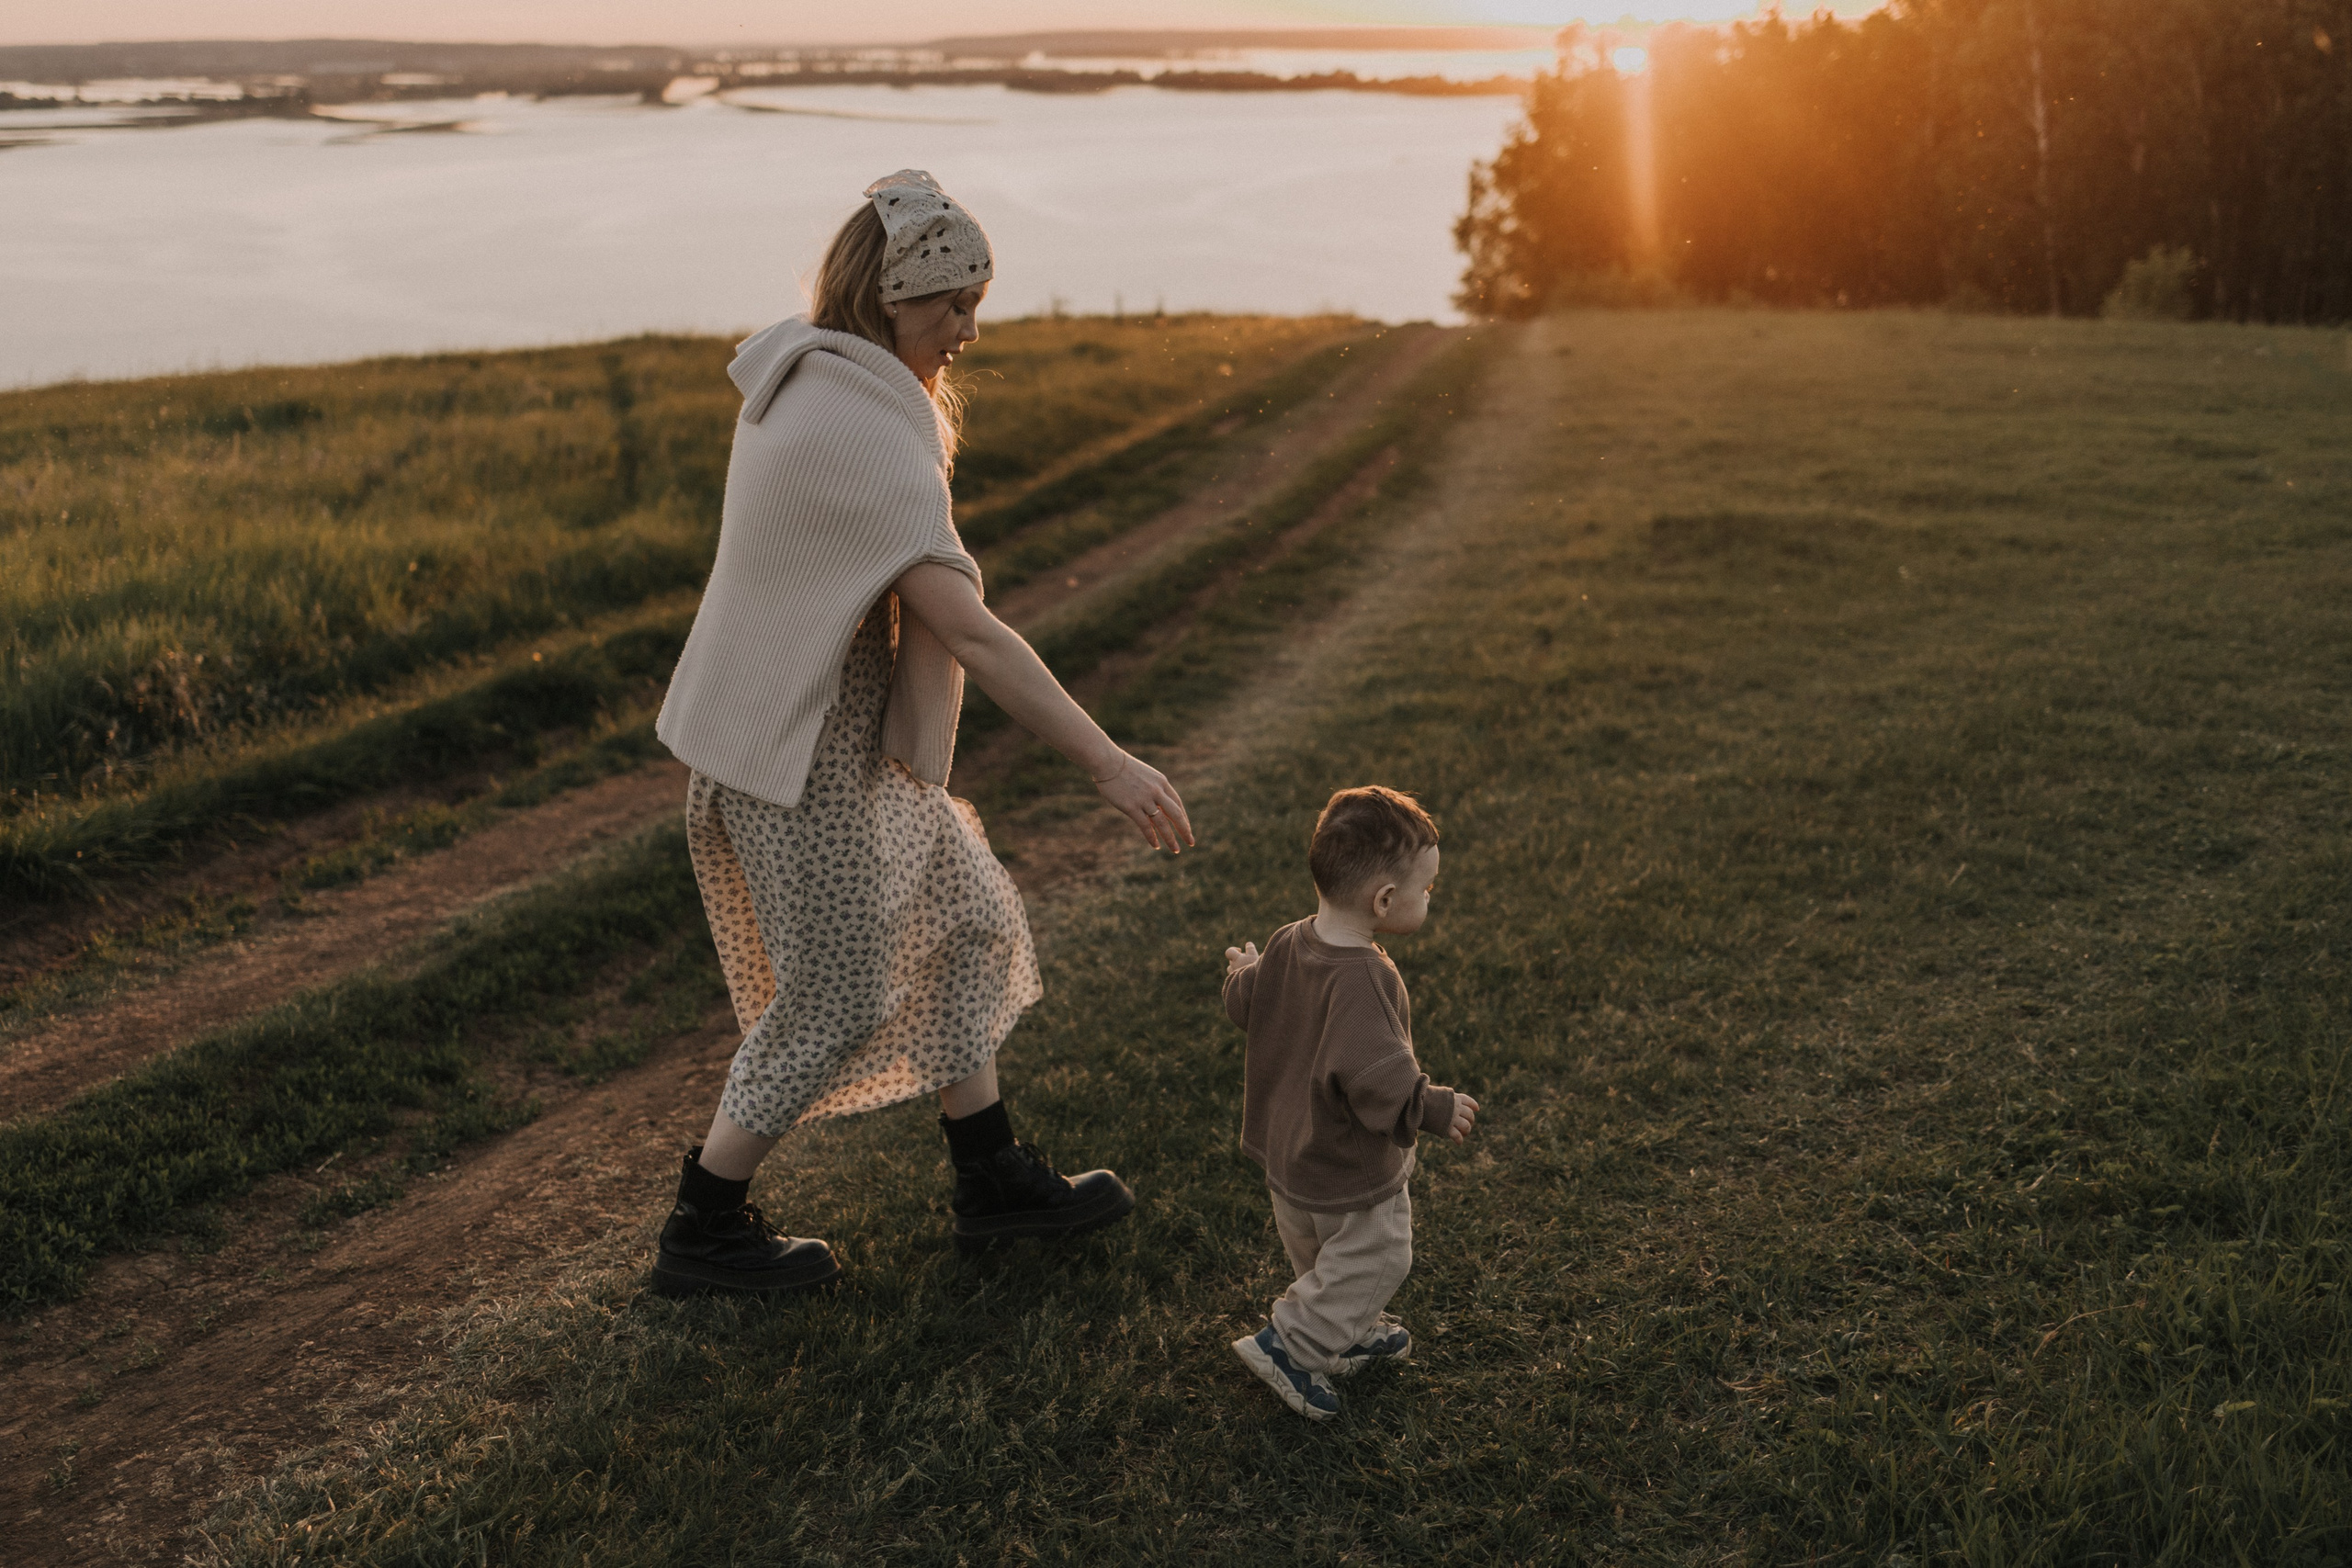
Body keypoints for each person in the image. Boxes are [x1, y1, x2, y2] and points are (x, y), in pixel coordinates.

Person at [647, 170, 1194, 1297]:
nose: (967, 329)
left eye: (973, 303)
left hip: (841, 738)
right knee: (838, 996)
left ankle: (991, 1180)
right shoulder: (853, 428)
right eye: (951, 305)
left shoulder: (822, 383)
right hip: (798, 757)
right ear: (889, 298)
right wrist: (1108, 760)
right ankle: (703, 1228)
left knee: (970, 917)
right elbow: (971, 635)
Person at [1221, 786, 1476, 1419]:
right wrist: (1434, 1107)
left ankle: (1347, 1330)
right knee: (1381, 1252)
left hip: (1291, 1163)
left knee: (1325, 1261)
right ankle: (1291, 1345)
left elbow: (1246, 1004)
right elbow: (1378, 1076)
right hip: (1347, 1167)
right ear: (1385, 900)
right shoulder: (1366, 976)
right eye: (1426, 889)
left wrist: (1239, 971)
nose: (1428, 899)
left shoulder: (1287, 940)